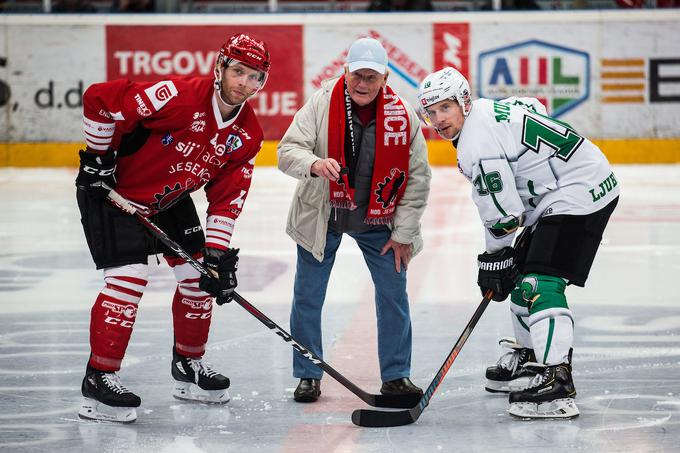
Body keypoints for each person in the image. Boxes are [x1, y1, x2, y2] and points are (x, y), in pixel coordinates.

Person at [75, 33, 270, 423]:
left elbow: (228, 197)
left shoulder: (247, 134)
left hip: (168, 201)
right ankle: (99, 379)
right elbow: (99, 99)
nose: (245, 85)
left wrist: (216, 253)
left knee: (199, 279)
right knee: (128, 280)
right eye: (239, 72)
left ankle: (188, 368)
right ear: (220, 68)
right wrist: (99, 157)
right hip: (114, 192)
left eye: (256, 78)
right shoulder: (176, 96)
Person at [417, 67, 619, 419]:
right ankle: (531, 357)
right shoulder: (487, 112)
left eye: (445, 108)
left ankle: (558, 381)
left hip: (580, 191)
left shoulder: (475, 144)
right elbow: (532, 105)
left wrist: (493, 259)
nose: (438, 120)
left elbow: (505, 216)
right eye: (431, 113)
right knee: (522, 271)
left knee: (538, 281)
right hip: (569, 186)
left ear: (463, 101)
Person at [277, 38, 431, 403]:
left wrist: (405, 233)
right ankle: (308, 373)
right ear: (344, 71)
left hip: (380, 223)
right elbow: (287, 151)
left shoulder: (404, 116)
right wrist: (313, 164)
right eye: (357, 75)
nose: (362, 84)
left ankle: (396, 376)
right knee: (308, 296)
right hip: (323, 215)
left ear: (385, 78)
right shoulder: (320, 104)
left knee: (394, 296)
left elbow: (418, 179)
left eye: (371, 77)